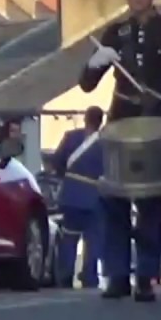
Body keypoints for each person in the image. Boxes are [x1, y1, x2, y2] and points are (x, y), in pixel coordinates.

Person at [79, 0, 161, 303]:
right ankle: (118, 274)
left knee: (151, 198)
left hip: (154, 119)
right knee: (114, 198)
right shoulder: (116, 33)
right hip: (123, 120)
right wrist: (96, 63)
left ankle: (147, 275)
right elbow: (87, 85)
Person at [50, 106, 106, 289]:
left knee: (69, 237)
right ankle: (89, 277)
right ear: (100, 121)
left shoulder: (71, 137)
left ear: (85, 119)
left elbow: (57, 161)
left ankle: (65, 275)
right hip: (95, 196)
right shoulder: (105, 143)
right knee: (93, 239)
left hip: (72, 194)